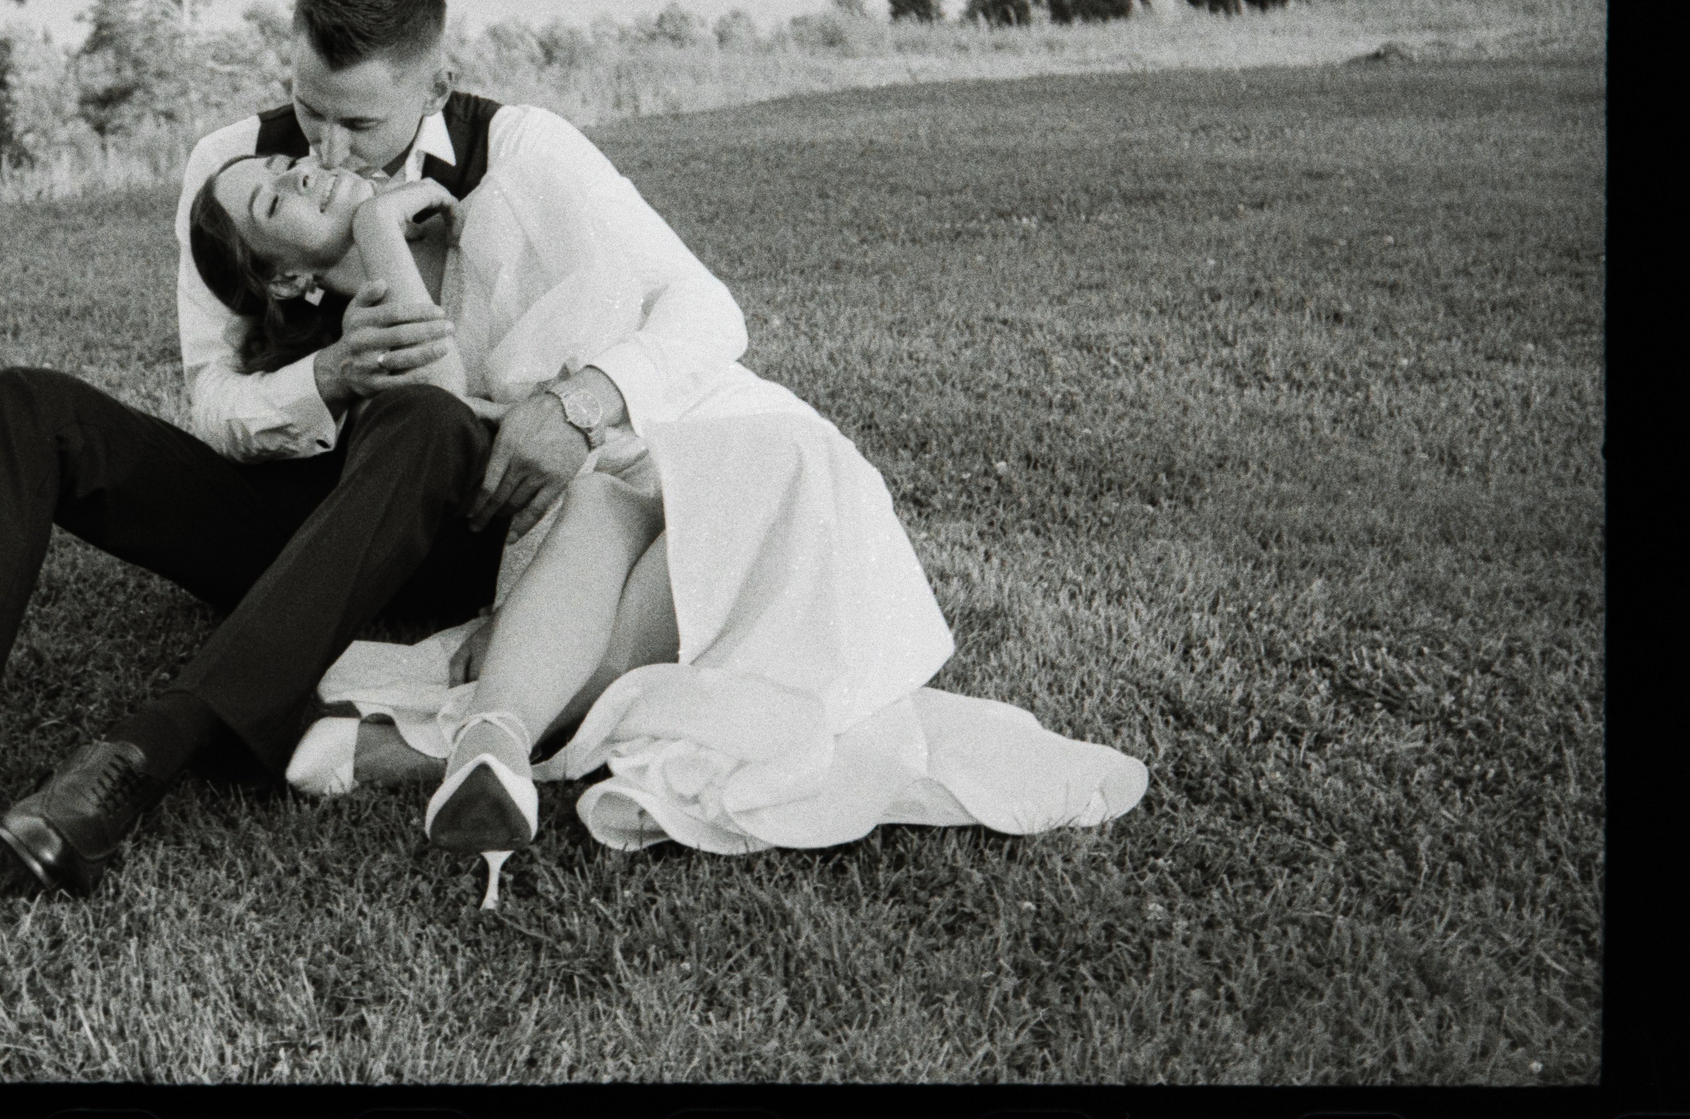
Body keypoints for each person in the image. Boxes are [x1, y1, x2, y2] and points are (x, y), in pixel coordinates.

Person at [0, 0, 738, 896]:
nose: (326, 145)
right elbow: (212, 402)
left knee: (421, 419)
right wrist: (323, 375)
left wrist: (577, 399)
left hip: (441, 523)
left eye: (360, 122)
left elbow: (706, 311)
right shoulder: (235, 165)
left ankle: (145, 755)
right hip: (282, 518)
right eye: (308, 107)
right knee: (22, 406)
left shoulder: (525, 151)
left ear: (434, 85)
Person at [188, 107, 1151, 907]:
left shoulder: (491, 205)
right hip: (590, 520)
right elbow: (438, 396)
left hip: (705, 454)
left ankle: (481, 736)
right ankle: (464, 738)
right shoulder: (374, 304)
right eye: (279, 199)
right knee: (625, 499)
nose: (308, 172)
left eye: (287, 162)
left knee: (693, 478)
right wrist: (377, 232)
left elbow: (693, 315)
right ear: (289, 277)